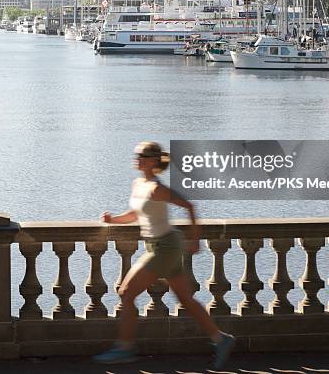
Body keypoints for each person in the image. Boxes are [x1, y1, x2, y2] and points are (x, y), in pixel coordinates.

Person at [95, 141, 235, 366]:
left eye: (140, 155)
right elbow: (136, 213)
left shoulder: (157, 188)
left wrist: (196, 239)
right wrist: (113, 220)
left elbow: (189, 206)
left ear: (152, 160)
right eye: (136, 155)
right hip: (157, 246)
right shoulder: (139, 183)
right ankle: (221, 340)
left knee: (126, 293)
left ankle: (125, 348)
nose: (136, 158)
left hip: (165, 248)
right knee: (186, 299)